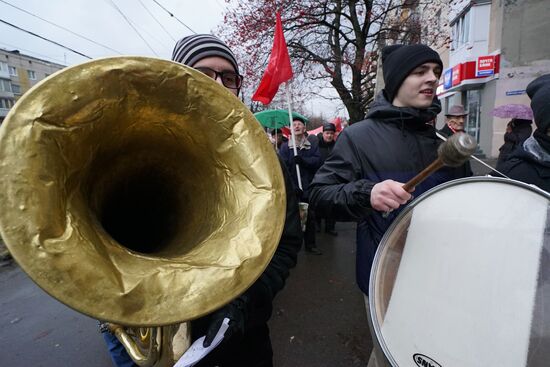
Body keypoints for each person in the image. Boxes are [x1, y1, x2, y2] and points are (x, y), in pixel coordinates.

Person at [101, 34, 303, 367]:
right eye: (204, 72)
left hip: (242, 339)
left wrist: (244, 301)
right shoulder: (140, 138)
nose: (219, 84)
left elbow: (286, 244)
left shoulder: (266, 159)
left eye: (228, 77)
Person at [309, 44, 470, 367]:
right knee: (391, 356)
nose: (432, 79)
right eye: (420, 72)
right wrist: (366, 194)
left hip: (440, 276)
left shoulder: (444, 145)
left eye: (436, 73)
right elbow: (319, 195)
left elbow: (464, 202)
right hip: (384, 276)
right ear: (397, 80)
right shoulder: (358, 137)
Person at [495, 74, 550, 192]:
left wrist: (510, 134)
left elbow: (518, 139)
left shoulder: (525, 129)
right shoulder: (514, 173)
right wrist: (509, 131)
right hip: (508, 155)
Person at [279, 116, 322, 255]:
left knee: (310, 217)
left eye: (299, 124)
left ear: (304, 128)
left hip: (308, 188)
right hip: (293, 190)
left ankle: (311, 244)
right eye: (294, 124)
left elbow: (317, 162)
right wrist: (292, 187)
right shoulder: (285, 147)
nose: (296, 126)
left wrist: (303, 161)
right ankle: (291, 248)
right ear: (290, 129)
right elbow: (283, 169)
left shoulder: (311, 145)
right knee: (292, 219)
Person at [315, 122, 338, 236]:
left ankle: (330, 227)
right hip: (319, 178)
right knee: (318, 202)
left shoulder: (337, 146)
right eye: (327, 133)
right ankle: (317, 224)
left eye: (331, 133)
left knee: (332, 204)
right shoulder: (317, 145)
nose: (329, 136)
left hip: (333, 179)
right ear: (323, 133)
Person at [439, 104, 473, 177]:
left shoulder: (464, 136)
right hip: (450, 181)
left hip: (464, 180)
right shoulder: (441, 137)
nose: (461, 121)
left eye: (463, 117)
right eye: (457, 117)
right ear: (448, 120)